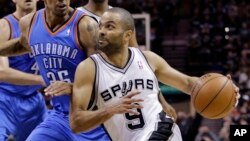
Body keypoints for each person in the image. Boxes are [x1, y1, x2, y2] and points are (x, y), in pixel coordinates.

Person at [70, 7, 240, 141]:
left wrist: (227, 92)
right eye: (101, 25)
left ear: (127, 35)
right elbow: (76, 122)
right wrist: (109, 110)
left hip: (164, 132)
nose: (101, 31)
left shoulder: (148, 59)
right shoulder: (88, 69)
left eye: (110, 27)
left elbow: (188, 83)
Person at [0, 0, 109, 140]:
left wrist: (73, 87)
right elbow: (22, 45)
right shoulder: (29, 23)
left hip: (92, 117)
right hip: (59, 116)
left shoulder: (86, 26)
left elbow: (105, 77)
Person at [0, 0, 47, 140]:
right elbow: (1, 72)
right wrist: (42, 79)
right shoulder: (4, 26)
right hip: (5, 100)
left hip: (34, 101)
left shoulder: (49, 25)